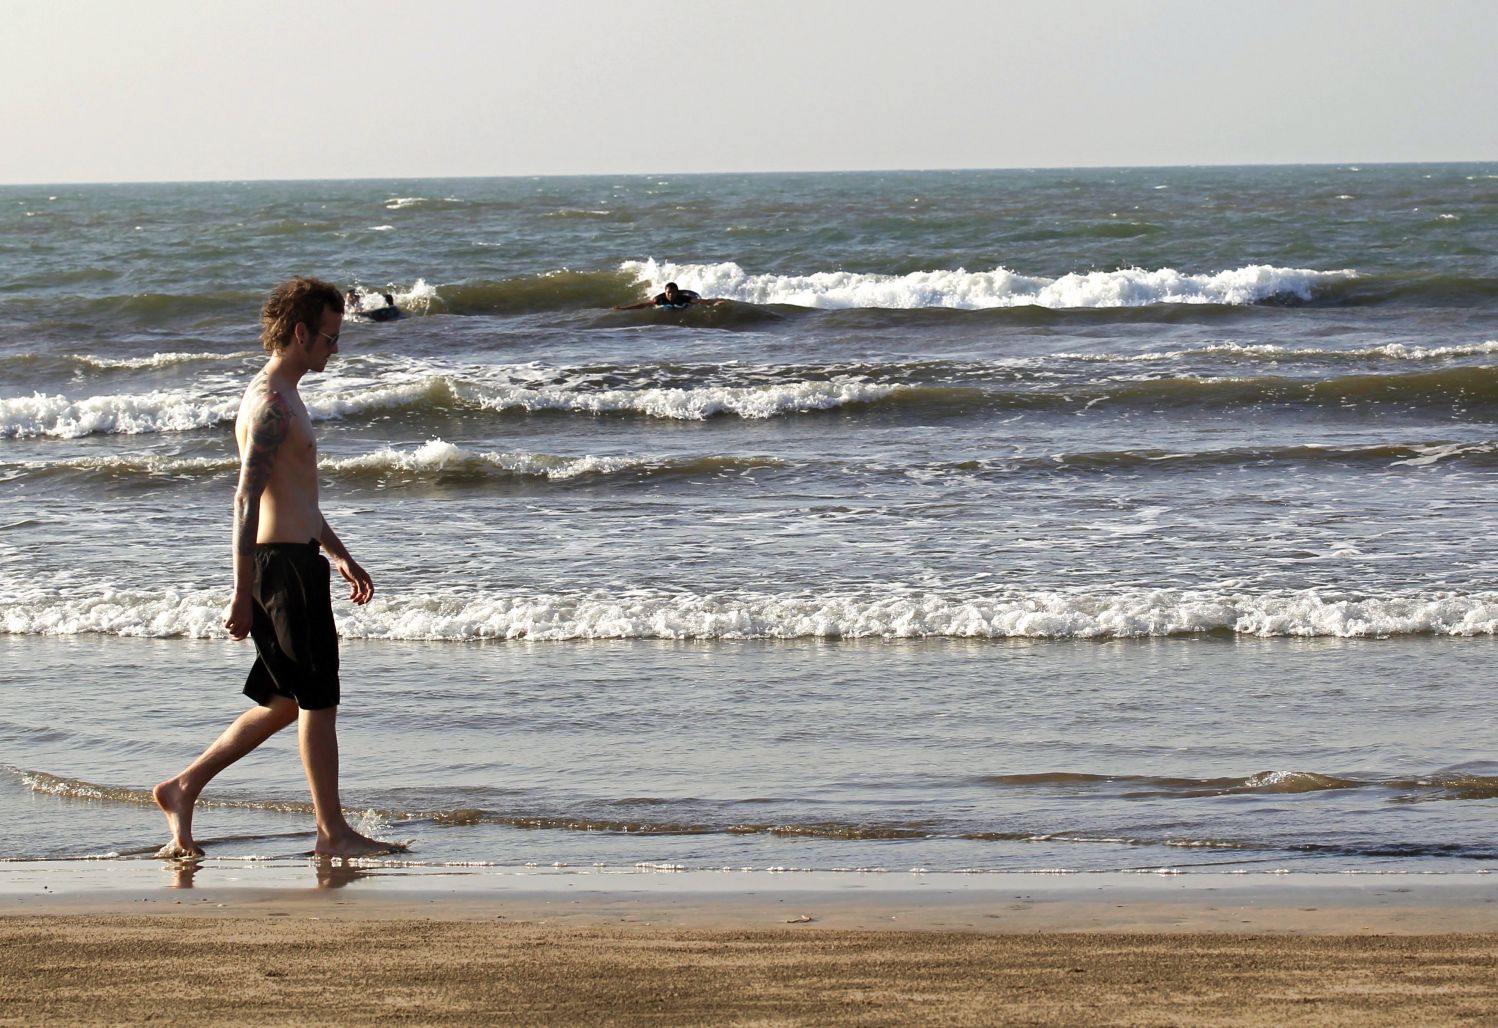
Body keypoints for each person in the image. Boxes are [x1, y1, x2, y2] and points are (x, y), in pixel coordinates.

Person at [153, 276, 401, 860]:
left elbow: (298, 499)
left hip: (297, 560)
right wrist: (241, 593)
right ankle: (331, 833)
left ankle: (182, 788)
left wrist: (339, 554)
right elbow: (245, 500)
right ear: (299, 332)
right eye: (329, 338)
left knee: (287, 702)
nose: (335, 350)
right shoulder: (269, 404)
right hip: (280, 571)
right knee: (319, 701)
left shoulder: (287, 396)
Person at [614, 281, 724, 310]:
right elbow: (643, 305)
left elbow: (700, 301)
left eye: (673, 292)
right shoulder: (660, 299)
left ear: (677, 292)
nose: (671, 295)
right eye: (668, 293)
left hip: (683, 306)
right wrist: (623, 308)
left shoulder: (683, 298)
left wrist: (714, 302)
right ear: (665, 292)